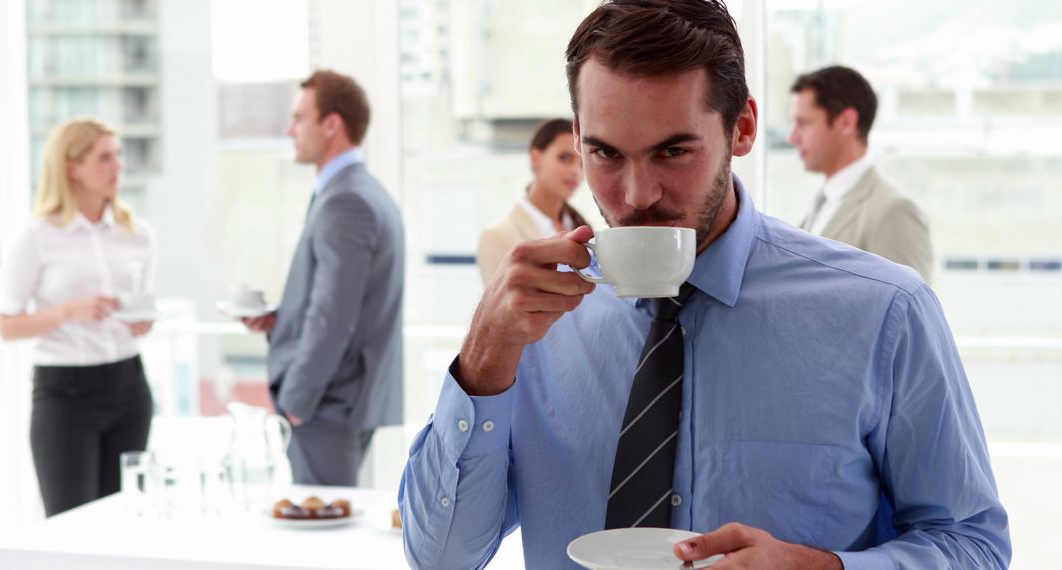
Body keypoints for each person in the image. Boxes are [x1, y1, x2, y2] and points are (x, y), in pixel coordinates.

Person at [399, 1, 1009, 568]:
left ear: (742, 129)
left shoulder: (884, 311)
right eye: (606, 154)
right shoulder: (532, 323)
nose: (637, 197)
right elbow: (440, 557)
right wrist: (482, 359)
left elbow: (974, 545)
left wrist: (827, 567)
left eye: (672, 152)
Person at [241, 70, 404, 486]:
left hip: (326, 404)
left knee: (321, 538)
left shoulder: (346, 200)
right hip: (342, 400)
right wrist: (281, 320)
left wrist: (297, 400)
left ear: (332, 124)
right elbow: (343, 300)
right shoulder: (362, 191)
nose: (289, 129)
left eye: (299, 118)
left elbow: (334, 315)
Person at [0, 118, 156, 517]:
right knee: (69, 526)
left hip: (128, 385)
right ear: (72, 167)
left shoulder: (138, 234)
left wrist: (142, 321)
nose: (118, 167)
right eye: (105, 158)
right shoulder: (36, 237)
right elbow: (7, 325)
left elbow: (143, 305)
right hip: (64, 395)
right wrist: (68, 311)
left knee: (123, 520)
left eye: (119, 156)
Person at [789, 65, 934, 282]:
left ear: (846, 122)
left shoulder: (893, 212)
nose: (792, 137)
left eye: (804, 123)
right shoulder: (822, 204)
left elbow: (911, 312)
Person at [476, 118, 587, 283]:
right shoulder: (497, 236)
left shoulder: (580, 226)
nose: (576, 172)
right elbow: (501, 306)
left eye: (583, 164)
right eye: (565, 158)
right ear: (536, 158)